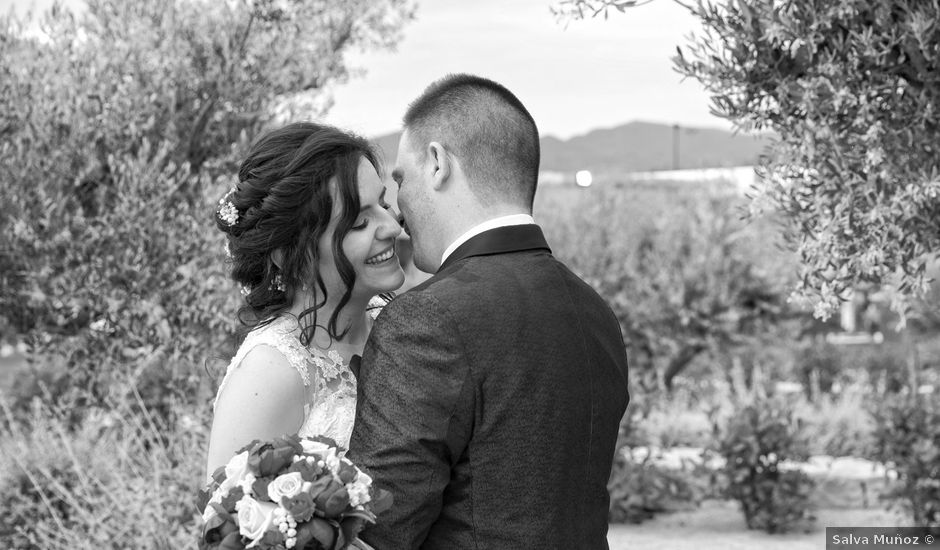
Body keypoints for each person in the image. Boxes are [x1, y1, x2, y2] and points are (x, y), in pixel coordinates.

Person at [348, 74, 631, 549]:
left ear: (437, 164)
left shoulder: (427, 319)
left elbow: (378, 528)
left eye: (400, 180)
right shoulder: (594, 310)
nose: (397, 213)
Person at [205, 122, 405, 479]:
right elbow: (228, 526)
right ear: (290, 255)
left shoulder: (399, 326)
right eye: (359, 222)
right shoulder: (270, 375)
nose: (391, 227)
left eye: (384, 204)